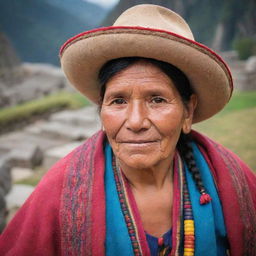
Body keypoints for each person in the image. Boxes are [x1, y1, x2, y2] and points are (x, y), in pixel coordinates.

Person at [0, 4, 255, 256]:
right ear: (101, 109)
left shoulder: (230, 181)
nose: (135, 122)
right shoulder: (58, 192)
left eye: (157, 99)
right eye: (118, 101)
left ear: (187, 112)